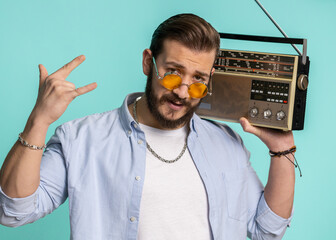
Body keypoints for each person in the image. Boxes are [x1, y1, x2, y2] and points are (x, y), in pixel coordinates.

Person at [0, 13, 295, 240]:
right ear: (148, 62)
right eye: (172, 73)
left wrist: (281, 148)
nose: (182, 91)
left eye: (198, 80)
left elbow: (265, 230)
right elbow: (14, 211)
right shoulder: (81, 139)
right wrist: (39, 120)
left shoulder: (227, 144)